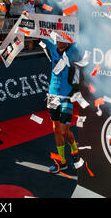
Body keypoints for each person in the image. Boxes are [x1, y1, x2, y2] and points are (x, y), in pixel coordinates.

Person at [43, 38, 81, 173]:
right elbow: (37, 31)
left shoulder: (73, 49)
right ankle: (62, 161)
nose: (59, 42)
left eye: (62, 40)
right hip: (52, 95)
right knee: (56, 128)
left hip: (66, 95)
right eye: (58, 39)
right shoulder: (52, 46)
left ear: (68, 40)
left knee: (64, 131)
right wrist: (28, 16)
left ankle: (75, 151)